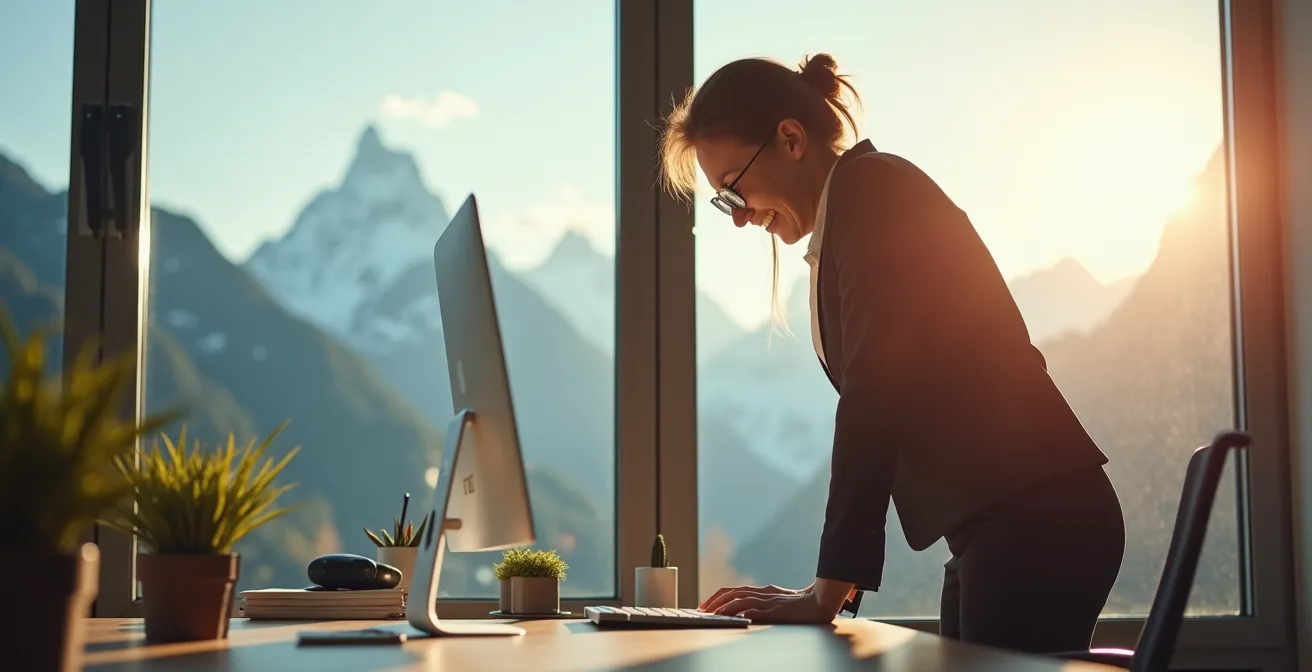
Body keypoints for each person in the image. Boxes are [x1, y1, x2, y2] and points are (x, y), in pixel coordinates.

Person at [662, 53, 1126, 655]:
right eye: (725, 202)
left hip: (1037, 523)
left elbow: (873, 396)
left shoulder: (872, 192)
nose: (741, 217)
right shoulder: (855, 207)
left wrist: (825, 593)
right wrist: (830, 588)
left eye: (733, 188)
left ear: (791, 139)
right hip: (1003, 524)